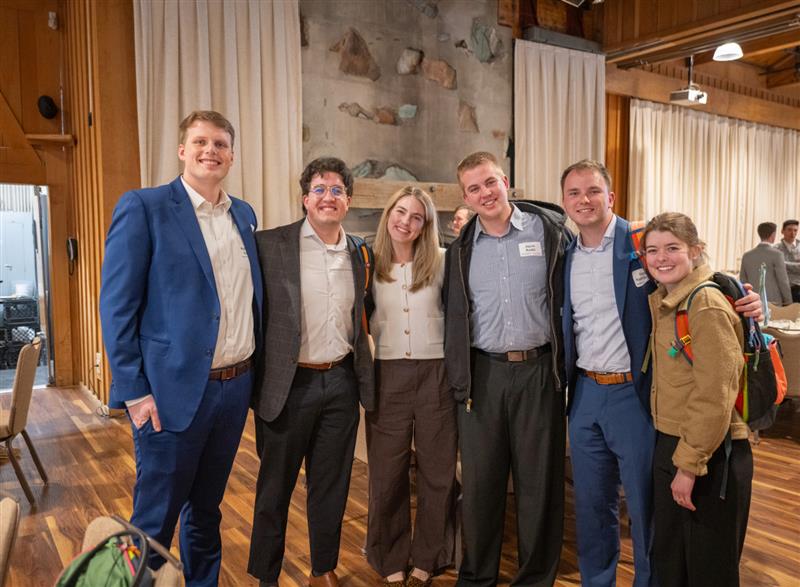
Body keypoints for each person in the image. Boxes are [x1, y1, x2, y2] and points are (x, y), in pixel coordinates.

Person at [560, 159, 762, 587]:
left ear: (610, 197)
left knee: (648, 507)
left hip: (633, 395)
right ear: (565, 203)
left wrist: (743, 297)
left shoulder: (639, 244)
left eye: (593, 190)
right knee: (592, 505)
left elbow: (692, 273)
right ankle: (598, 580)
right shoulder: (565, 254)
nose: (584, 200)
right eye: (574, 193)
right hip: (584, 394)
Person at [99, 110, 262, 586]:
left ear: (231, 156)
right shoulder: (145, 207)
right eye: (200, 142)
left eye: (220, 144)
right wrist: (133, 389)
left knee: (207, 510)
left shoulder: (244, 215)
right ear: (182, 151)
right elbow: (117, 306)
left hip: (233, 389)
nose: (210, 150)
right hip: (168, 395)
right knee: (154, 520)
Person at [443, 151, 570, 586]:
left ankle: (535, 578)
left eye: (490, 183)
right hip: (483, 375)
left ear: (506, 181)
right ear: (465, 196)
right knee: (480, 488)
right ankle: (477, 577)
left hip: (539, 372)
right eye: (474, 188)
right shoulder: (459, 250)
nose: (485, 193)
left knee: (540, 485)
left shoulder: (549, 232)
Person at [248, 157, 375, 587]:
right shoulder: (270, 245)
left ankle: (323, 570)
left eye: (337, 190)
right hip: (287, 386)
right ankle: (266, 576)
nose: (328, 197)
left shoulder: (360, 252)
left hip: (340, 383)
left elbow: (366, 315)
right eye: (319, 189)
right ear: (305, 199)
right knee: (273, 491)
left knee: (331, 487)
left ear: (348, 201)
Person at [642, 212, 752, 587]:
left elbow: (715, 394)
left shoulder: (704, 303)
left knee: (708, 568)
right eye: (652, 250)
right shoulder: (665, 299)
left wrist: (688, 467)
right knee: (674, 563)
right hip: (674, 440)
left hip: (710, 452)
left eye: (672, 248)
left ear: (696, 251)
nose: (661, 258)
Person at [366, 186, 457, 587]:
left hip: (437, 375)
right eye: (400, 212)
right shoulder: (367, 263)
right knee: (388, 472)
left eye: (416, 216)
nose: (406, 221)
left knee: (438, 472)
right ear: (388, 215)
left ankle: (429, 556)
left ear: (426, 225)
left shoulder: (443, 262)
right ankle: (390, 555)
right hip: (388, 376)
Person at [739, 222, 792, 306]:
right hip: (774, 304)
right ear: (773, 234)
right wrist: (789, 302)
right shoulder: (777, 254)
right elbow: (783, 282)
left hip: (752, 303)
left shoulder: (746, 256)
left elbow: (743, 281)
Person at [776, 219, 800, 302]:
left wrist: (783, 263)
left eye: (795, 230)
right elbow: (776, 267)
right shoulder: (776, 249)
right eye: (789, 230)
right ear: (782, 231)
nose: (793, 233)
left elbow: (780, 265)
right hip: (783, 289)